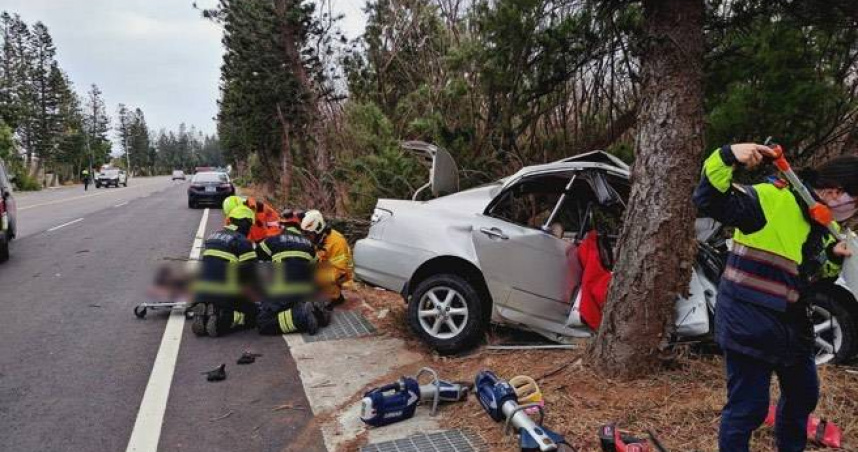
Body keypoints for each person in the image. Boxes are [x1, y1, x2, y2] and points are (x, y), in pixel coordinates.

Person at [693, 143, 858, 452]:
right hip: (748, 319)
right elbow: (708, 198)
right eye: (856, 201)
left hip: (792, 325)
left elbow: (818, 275)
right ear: (836, 191)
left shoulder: (825, 222)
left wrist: (833, 257)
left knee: (803, 395)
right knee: (748, 407)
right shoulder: (773, 198)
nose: (854, 209)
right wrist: (727, 156)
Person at [190, 204, 259, 337]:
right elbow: (250, 272)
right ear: (245, 223)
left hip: (201, 291)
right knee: (253, 315)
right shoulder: (242, 241)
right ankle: (220, 318)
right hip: (225, 293)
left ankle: (204, 313)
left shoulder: (212, 237)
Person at [255, 211, 325, 335]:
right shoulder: (309, 245)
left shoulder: (272, 240)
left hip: (282, 294)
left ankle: (301, 316)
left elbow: (257, 256)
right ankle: (314, 313)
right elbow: (316, 268)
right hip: (304, 294)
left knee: (264, 323)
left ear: (283, 226)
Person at [301, 210, 354, 305]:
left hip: (342, 273)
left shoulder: (337, 242)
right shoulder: (319, 238)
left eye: (309, 234)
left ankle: (335, 298)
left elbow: (340, 271)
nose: (307, 237)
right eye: (305, 234)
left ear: (318, 229)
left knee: (320, 281)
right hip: (326, 266)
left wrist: (315, 277)